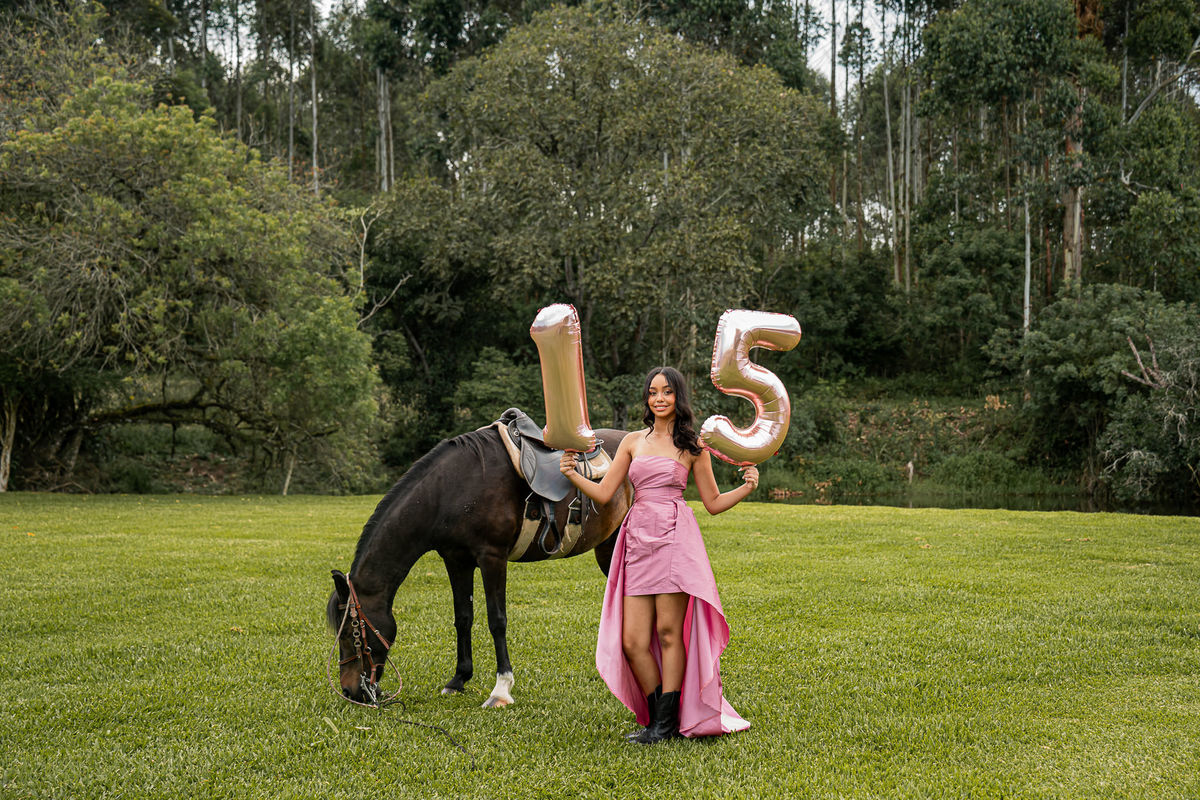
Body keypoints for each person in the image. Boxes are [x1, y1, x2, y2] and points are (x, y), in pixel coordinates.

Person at [559, 366, 757, 744]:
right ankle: (657, 717)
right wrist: (572, 474)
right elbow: (604, 494)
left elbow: (713, 503)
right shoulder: (632, 441)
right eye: (652, 392)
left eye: (666, 392)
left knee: (669, 633)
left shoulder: (693, 447)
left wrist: (746, 488)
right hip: (637, 538)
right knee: (633, 641)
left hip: (674, 539)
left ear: (678, 397)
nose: (659, 399)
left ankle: (663, 726)